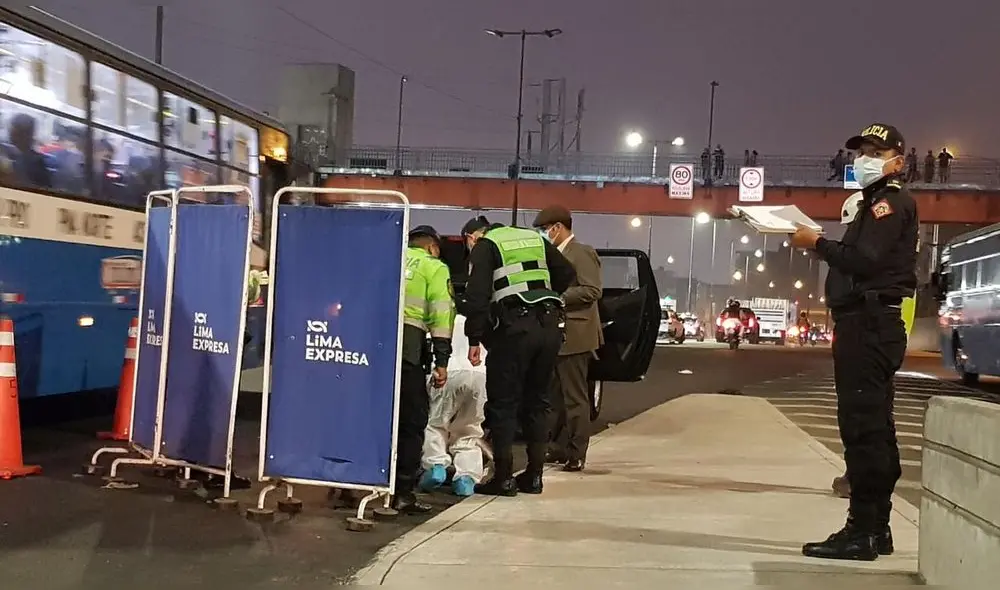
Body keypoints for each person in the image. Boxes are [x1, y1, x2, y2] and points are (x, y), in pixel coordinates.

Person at [790, 122, 917, 561]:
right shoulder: (872, 203)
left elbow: (864, 260)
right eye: (861, 150)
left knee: (863, 430)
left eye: (873, 151)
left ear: (896, 158)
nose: (863, 158)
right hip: (869, 324)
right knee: (875, 429)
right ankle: (876, 528)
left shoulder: (889, 204)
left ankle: (862, 530)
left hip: (868, 325)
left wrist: (816, 243)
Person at [460, 216, 576, 496]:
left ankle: (503, 477)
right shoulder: (535, 239)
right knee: (538, 402)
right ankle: (534, 476)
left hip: (513, 330)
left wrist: (474, 336)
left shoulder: (487, 245)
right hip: (548, 326)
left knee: (504, 402)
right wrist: (540, 295)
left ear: (474, 236)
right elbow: (567, 273)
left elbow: (476, 295)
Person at [532, 205, 603, 472]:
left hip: (576, 335)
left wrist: (558, 297)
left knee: (575, 398)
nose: (544, 234)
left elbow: (592, 290)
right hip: (557, 336)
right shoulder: (554, 255)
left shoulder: (581, 253)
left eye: (545, 230)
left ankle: (577, 452)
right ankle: (559, 447)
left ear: (557, 228)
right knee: (555, 398)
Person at [396, 225, 456, 513]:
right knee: (411, 420)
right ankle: (402, 492)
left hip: (374, 350)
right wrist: (441, 362)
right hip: (409, 350)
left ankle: (357, 486)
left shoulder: (390, 256)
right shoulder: (434, 267)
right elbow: (442, 316)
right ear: (432, 246)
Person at [419, 314, 488, 497]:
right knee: (469, 430)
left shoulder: (438, 317)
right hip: (480, 375)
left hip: (448, 372)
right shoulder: (475, 320)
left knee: (435, 423)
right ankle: (466, 478)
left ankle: (436, 466)